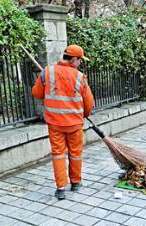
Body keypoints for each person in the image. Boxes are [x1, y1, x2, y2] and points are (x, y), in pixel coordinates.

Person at [32, 45, 95, 200]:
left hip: (55, 124)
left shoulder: (48, 72)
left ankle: (60, 188)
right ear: (74, 59)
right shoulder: (80, 77)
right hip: (74, 124)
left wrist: (46, 84)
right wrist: (84, 114)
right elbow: (89, 104)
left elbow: (37, 94)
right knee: (75, 154)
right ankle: (75, 182)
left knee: (58, 154)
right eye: (80, 60)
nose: (80, 63)